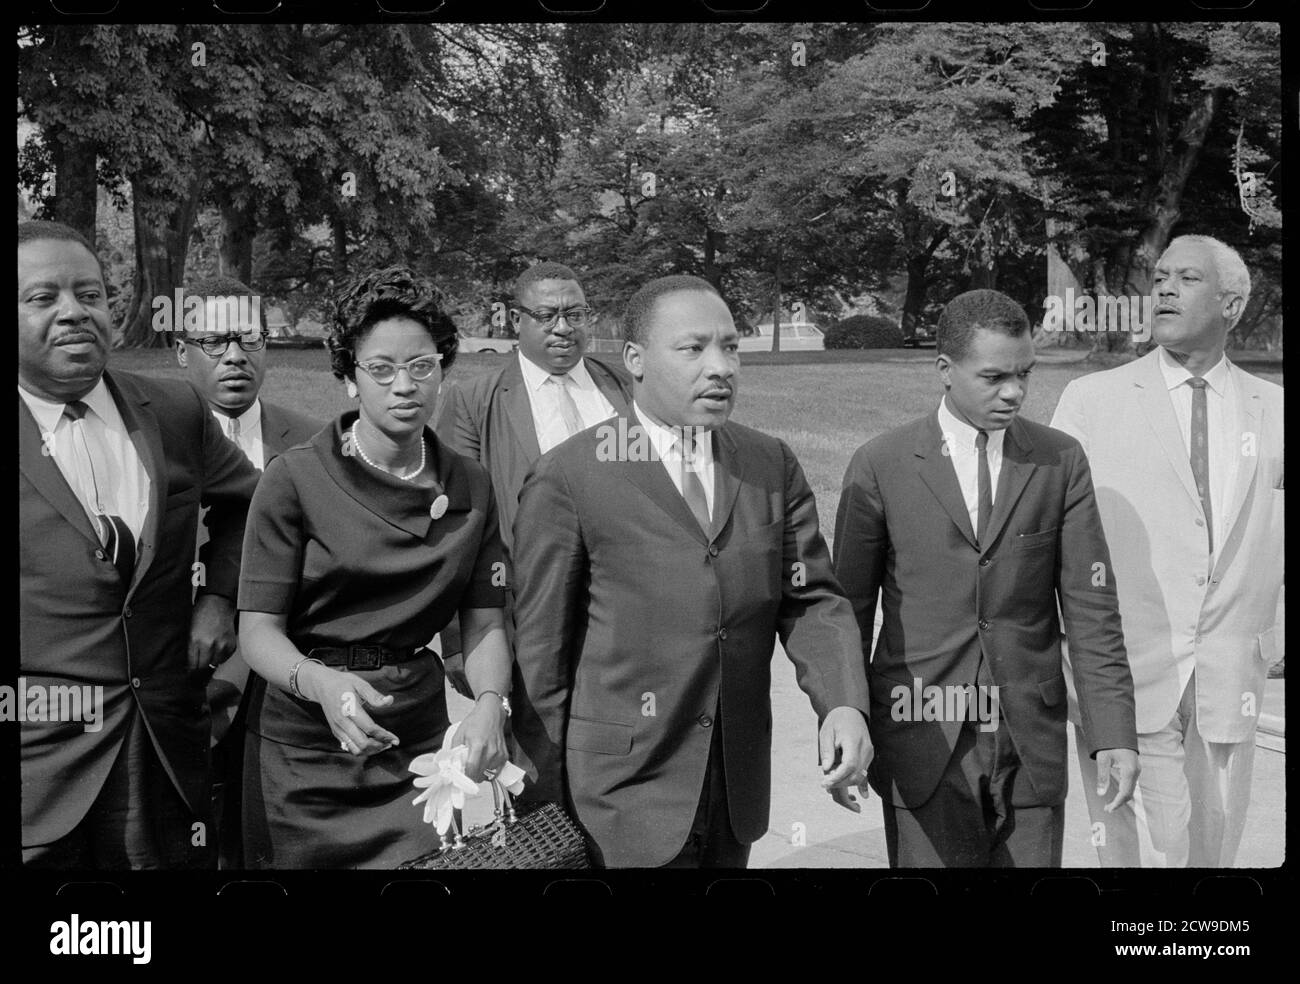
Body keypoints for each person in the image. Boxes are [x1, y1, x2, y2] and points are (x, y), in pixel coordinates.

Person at [510, 274, 872, 869]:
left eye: (731, 346)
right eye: (694, 348)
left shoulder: (769, 464)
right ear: (635, 360)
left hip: (734, 793)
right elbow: (541, 655)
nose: (721, 366)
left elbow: (812, 601)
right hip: (615, 802)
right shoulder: (571, 477)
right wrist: (542, 809)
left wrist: (842, 703)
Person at [833, 288, 1138, 867]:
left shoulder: (1059, 461)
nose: (1015, 392)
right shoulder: (880, 464)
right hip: (920, 732)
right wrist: (846, 724)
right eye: (995, 377)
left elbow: (1091, 608)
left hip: (1030, 738)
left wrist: (1114, 731)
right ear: (945, 370)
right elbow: (845, 611)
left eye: (1025, 374)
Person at [237, 266, 512, 868]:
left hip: (416, 751)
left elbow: (483, 621)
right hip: (306, 749)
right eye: (381, 370)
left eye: (422, 365)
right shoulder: (296, 478)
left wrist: (491, 701)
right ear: (348, 379)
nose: (404, 386)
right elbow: (257, 631)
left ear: (443, 369)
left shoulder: (471, 484)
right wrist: (322, 683)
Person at [19, 220, 260, 868]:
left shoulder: (174, 411)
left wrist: (218, 596)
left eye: (89, 295)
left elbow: (255, 503)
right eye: (42, 298)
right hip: (37, 784)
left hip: (166, 761)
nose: (72, 312)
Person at [1050, 235, 1284, 867]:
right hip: (1123, 676)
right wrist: (1069, 659)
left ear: (1232, 305)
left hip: (1230, 677)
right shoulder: (1090, 403)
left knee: (1212, 853)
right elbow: (1049, 539)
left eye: (1187, 278)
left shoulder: (1276, 411)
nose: (1164, 289)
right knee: (1131, 858)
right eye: (1159, 277)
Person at [174, 274, 321, 869]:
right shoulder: (150, 436)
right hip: (179, 674)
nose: (234, 356)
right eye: (214, 341)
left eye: (250, 338)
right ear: (180, 351)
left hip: (286, 688)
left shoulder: (315, 442)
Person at [434, 261, 631, 693]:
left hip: (624, 616)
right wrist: (455, 641)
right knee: (529, 755)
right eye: (546, 316)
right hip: (525, 617)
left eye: (574, 315)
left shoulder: (627, 389)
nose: (562, 328)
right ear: (516, 320)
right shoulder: (473, 402)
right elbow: (455, 528)